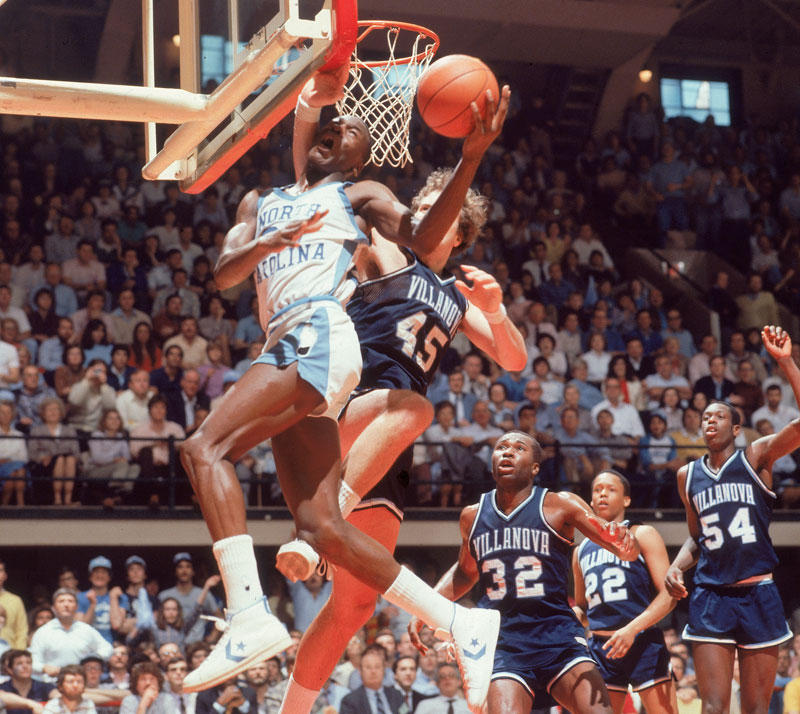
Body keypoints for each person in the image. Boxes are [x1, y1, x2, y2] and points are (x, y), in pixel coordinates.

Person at [178, 66, 511, 713]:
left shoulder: (358, 198)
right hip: (296, 348)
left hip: (319, 337)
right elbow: (223, 275)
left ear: (360, 158)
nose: (343, 127)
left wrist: (469, 160)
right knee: (323, 525)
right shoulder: (261, 202)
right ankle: (462, 623)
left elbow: (419, 236)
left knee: (202, 450)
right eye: (333, 124)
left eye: (354, 129)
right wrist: (268, 241)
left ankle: (248, 614)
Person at [276, 104, 527, 714]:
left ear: (458, 235)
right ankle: (318, 530)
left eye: (431, 214)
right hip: (345, 404)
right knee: (416, 409)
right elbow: (315, 181)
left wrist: (493, 309)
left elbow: (513, 360)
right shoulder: (384, 249)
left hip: (383, 442)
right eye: (416, 208)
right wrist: (310, 112)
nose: (416, 215)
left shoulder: (451, 293)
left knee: (355, 606)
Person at [408, 430, 639, 714]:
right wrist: (423, 608)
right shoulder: (472, 514)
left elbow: (620, 547)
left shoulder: (560, 503)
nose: (507, 452)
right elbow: (465, 573)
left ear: (535, 467)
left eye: (518, 448)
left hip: (557, 633)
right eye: (501, 447)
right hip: (505, 641)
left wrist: (625, 544)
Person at [665, 325, 798, 714]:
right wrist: (676, 565)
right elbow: (696, 538)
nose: (709, 420)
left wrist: (786, 361)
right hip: (710, 594)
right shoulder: (686, 476)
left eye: (719, 416)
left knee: (755, 709)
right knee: (713, 708)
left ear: (736, 429)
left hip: (758, 592)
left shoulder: (755, 457)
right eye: (705, 416)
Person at [572, 470, 679, 713]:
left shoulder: (643, 534)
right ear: (590, 500)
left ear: (626, 500)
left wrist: (631, 629)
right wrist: (569, 618)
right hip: (602, 647)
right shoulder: (580, 551)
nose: (602, 494)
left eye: (610, 490)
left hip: (642, 640)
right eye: (597, 490)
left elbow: (669, 596)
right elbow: (582, 607)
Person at [30, 589, 113, 682]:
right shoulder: (43, 632)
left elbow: (107, 648)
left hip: (81, 682)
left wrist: (93, 659)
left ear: (76, 607)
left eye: (70, 601)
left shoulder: (86, 629)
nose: (66, 605)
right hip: (53, 683)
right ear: (53, 608)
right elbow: (33, 662)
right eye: (61, 601)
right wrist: (44, 668)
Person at [338, 644, 402, 714]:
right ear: (360, 671)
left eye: (377, 667)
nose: (373, 671)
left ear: (384, 670)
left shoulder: (396, 695)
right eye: (368, 667)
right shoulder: (350, 701)